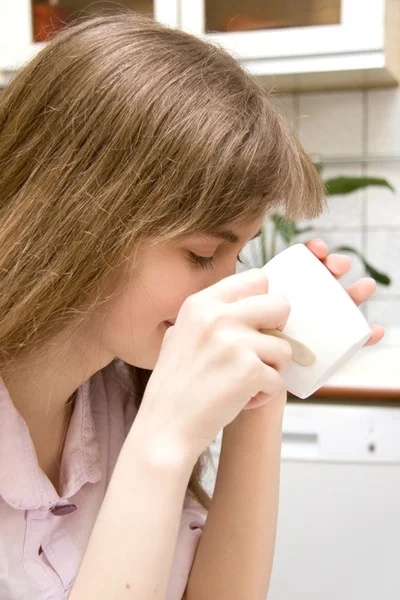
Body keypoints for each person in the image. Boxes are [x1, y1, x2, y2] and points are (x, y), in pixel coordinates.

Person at [0, 12, 383, 600]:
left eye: (239, 253)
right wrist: (165, 436)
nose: (223, 290)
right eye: (203, 253)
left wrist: (263, 392)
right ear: (77, 223)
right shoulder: (148, 409)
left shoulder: (114, 393)